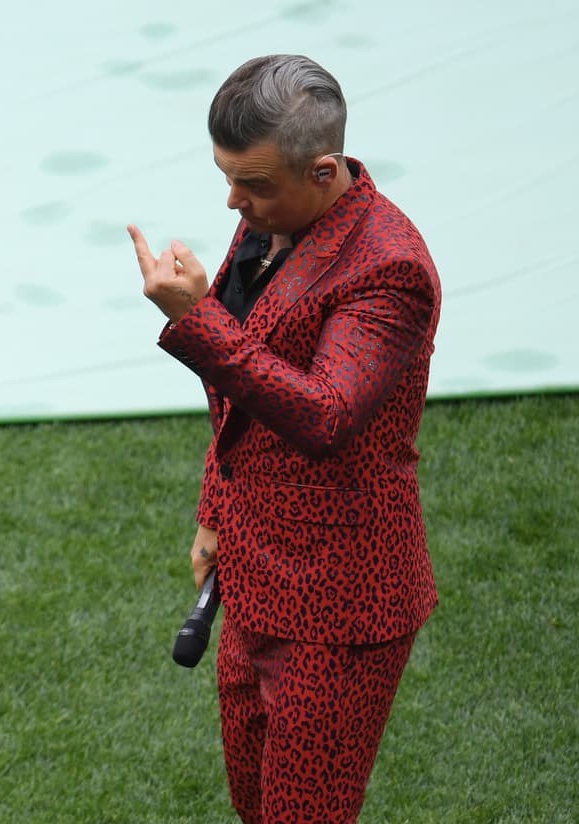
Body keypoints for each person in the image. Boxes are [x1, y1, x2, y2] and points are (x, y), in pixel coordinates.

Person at [127, 54, 440, 822]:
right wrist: (213, 510)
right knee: (256, 806)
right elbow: (242, 398)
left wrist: (194, 320)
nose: (234, 201)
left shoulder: (390, 268)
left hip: (340, 602)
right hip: (256, 574)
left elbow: (324, 415)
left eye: (255, 184)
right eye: (227, 177)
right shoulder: (272, 219)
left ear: (325, 169)